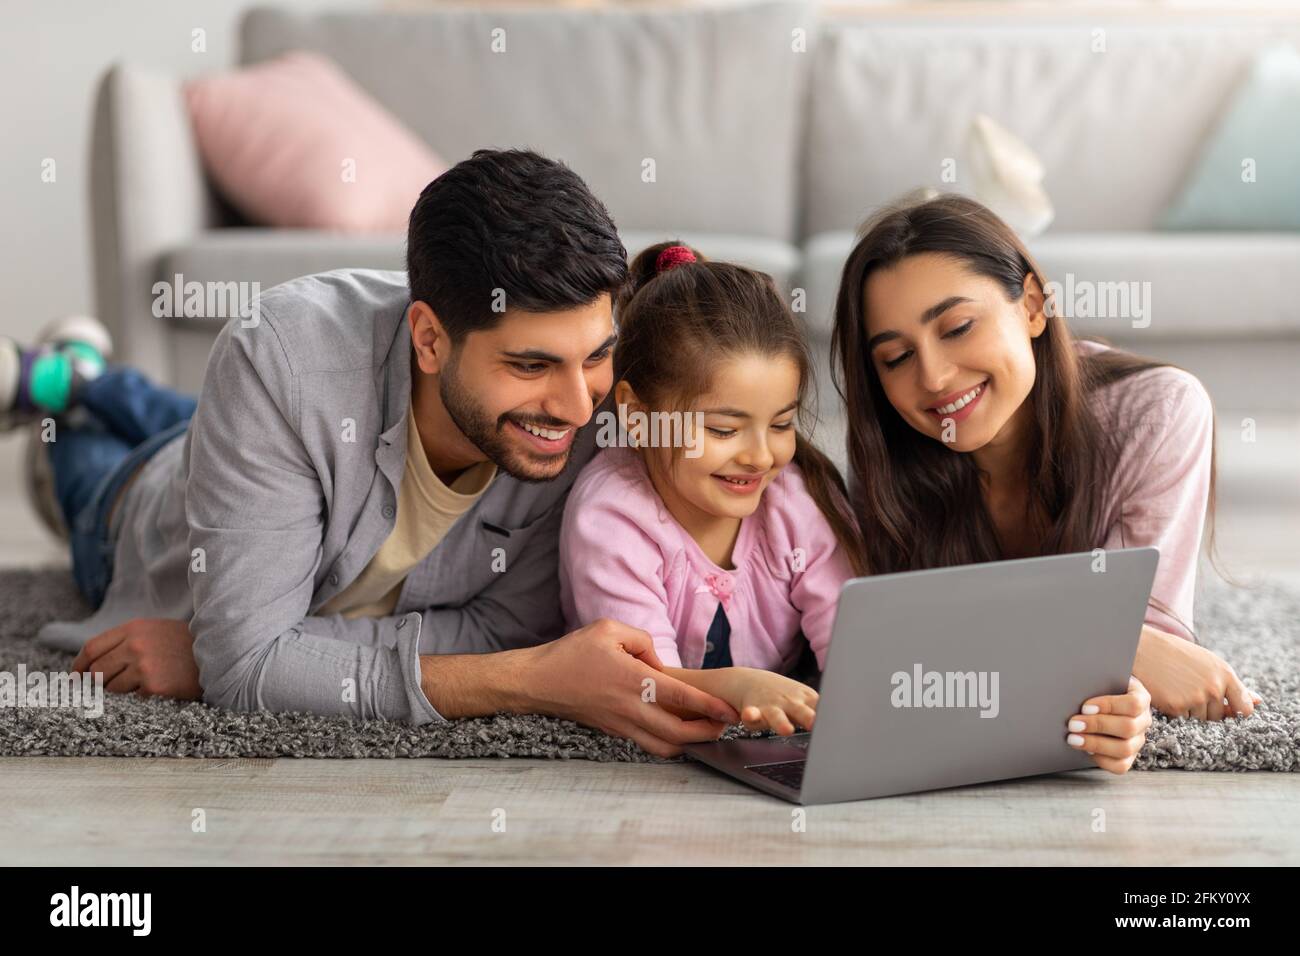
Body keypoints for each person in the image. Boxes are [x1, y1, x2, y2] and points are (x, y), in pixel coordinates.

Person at [0, 148, 740, 757]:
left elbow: (496, 627)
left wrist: (267, 652)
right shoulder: (280, 355)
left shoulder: (581, 406)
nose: (581, 410)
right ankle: (65, 387)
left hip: (265, 447)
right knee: (86, 469)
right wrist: (531, 679)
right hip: (149, 502)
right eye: (530, 366)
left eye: (596, 358)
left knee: (204, 418)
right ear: (428, 338)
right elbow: (253, 670)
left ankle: (80, 374)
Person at [830, 194, 1260, 772]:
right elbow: (894, 648)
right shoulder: (890, 449)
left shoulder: (1159, 411)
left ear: (1032, 305)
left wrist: (1124, 676)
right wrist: (1120, 644)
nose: (931, 377)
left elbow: (1153, 641)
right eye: (896, 356)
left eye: (957, 327)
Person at [559, 242, 863, 737]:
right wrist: (740, 687)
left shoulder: (793, 496)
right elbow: (643, 685)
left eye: (782, 424)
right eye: (724, 431)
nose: (761, 457)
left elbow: (852, 641)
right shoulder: (611, 513)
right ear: (637, 418)